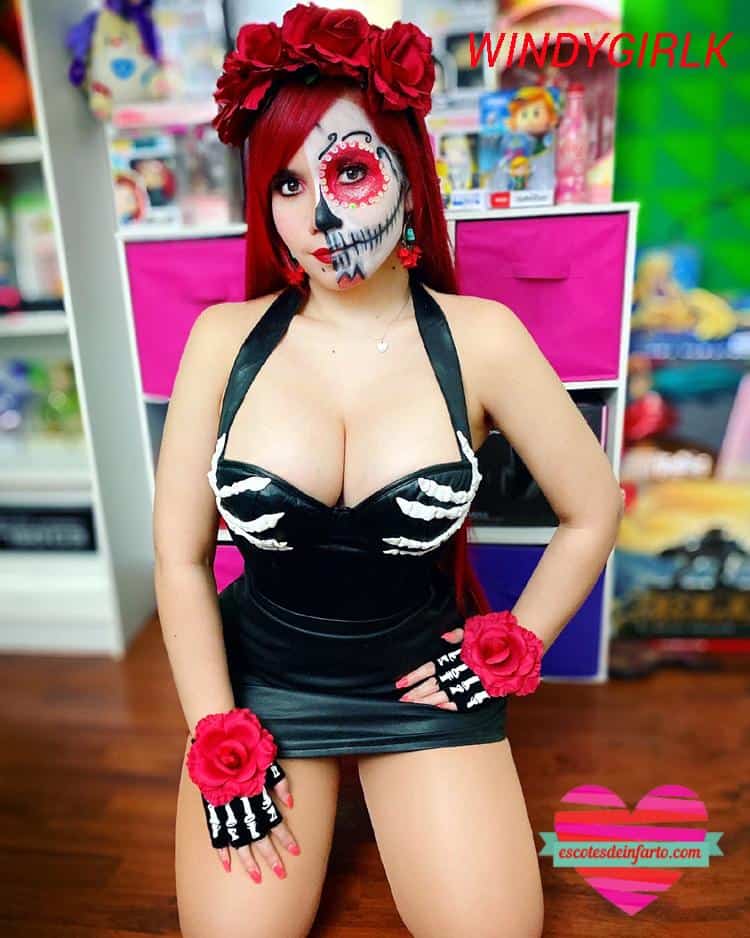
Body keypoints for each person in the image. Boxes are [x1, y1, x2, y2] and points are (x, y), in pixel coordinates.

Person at [152, 5, 624, 937]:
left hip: (419, 685)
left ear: (410, 173)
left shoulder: (482, 340)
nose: (318, 218)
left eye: (348, 172)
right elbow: (179, 559)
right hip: (262, 686)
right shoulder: (221, 341)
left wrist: (507, 650)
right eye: (287, 184)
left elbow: (594, 508)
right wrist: (216, 730)